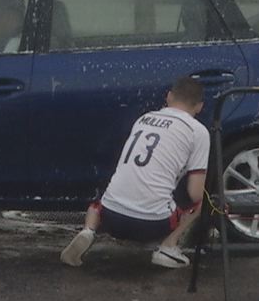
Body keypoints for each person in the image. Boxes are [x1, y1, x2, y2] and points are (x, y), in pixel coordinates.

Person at [60, 77, 209, 269]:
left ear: (169, 97)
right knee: (203, 199)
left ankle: (88, 230)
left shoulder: (144, 119)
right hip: (153, 225)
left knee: (101, 201)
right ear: (199, 107)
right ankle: (168, 248)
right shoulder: (197, 131)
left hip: (110, 218)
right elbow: (195, 193)